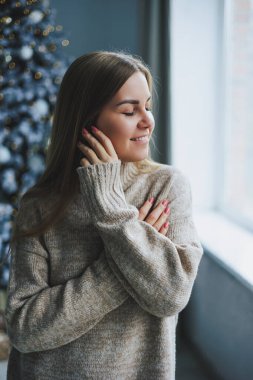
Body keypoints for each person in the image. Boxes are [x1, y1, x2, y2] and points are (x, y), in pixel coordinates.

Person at [5, 51, 203, 379]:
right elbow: (25, 329)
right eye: (129, 110)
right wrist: (124, 255)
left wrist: (110, 209)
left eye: (148, 106)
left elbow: (170, 295)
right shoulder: (39, 204)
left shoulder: (166, 187)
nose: (147, 120)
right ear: (87, 121)